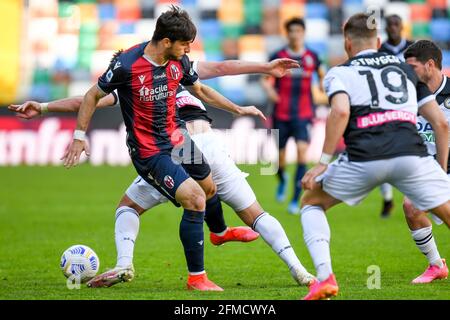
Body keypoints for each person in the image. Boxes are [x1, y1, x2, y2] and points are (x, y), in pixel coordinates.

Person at [11, 58, 315, 289]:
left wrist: (44, 106)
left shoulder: (139, 82)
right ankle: (298, 269)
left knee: (128, 207)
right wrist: (265, 68)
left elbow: (86, 101)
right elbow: (222, 69)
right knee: (255, 214)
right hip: (206, 144)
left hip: (169, 148)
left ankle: (126, 263)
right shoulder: (181, 72)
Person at [61, 6, 266, 291]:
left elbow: (201, 91)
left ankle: (219, 233)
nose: (188, 49)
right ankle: (197, 278)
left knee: (208, 189)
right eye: (184, 44)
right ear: (166, 41)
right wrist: (79, 136)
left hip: (178, 139)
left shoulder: (179, 61)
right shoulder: (127, 65)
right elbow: (92, 95)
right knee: (194, 198)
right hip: (149, 151)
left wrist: (237, 109)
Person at [299, 13, 450, 300]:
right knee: (446, 210)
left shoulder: (339, 73)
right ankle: (436, 263)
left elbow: (341, 112)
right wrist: (440, 173)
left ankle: (325, 278)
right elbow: (441, 124)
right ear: (378, 41)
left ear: (347, 44)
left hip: (364, 157)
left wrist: (323, 162)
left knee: (312, 204)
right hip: (410, 155)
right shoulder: (405, 69)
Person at [261, 17, 325, 215]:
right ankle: (282, 179)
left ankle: (295, 199)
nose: (294, 34)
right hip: (281, 113)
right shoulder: (278, 55)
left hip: (304, 114)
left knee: (301, 153)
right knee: (280, 159)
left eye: (298, 30)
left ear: (303, 33)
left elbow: (322, 73)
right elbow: (265, 79)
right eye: (291, 31)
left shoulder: (312, 56)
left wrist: (323, 85)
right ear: (286, 33)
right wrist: (270, 91)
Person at [402, 40, 449, 283]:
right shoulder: (407, 94)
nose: (408, 73)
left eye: (413, 67)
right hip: (426, 168)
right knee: (410, 206)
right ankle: (436, 265)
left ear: (430, 65)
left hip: (445, 168)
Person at [377, 14, 415, 217]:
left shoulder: (413, 48)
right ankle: (388, 198)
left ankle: (416, 198)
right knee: (381, 154)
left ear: (402, 26)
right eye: (389, 24)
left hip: (410, 107)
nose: (392, 27)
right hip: (385, 109)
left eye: (396, 24)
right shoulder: (379, 51)